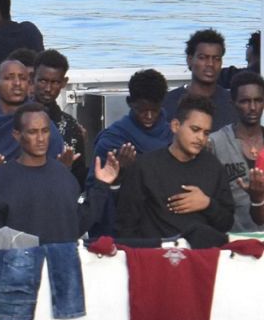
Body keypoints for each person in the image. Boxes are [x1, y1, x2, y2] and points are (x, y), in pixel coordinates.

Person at [0, 103, 117, 243]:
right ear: (17, 135)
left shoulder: (63, 174)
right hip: (21, 268)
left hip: (61, 267)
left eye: (45, 131)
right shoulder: (2, 177)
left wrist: (101, 185)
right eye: (33, 132)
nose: (40, 138)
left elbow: (78, 225)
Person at [115, 95, 249, 247]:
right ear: (175, 126)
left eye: (206, 133)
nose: (200, 138)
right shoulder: (144, 167)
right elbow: (125, 225)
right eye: (195, 129)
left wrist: (207, 204)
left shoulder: (213, 167)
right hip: (155, 260)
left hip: (202, 260)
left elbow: (227, 222)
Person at [0, 58, 63, 180]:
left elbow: (54, 169)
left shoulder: (41, 122)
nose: (17, 83)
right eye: (9, 78)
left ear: (29, 85)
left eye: (22, 78)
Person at [206, 71, 264, 231]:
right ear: (233, 103)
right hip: (232, 240)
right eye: (245, 101)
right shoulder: (215, 143)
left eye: (258, 100)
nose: (252, 107)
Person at [33, 49, 89, 187]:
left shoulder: (72, 127)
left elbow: (79, 175)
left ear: (64, 83)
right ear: (32, 77)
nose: (48, 88)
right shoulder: (16, 119)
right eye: (42, 81)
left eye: (55, 82)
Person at [94, 69, 172, 164]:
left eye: (155, 110)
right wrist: (120, 169)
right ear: (129, 103)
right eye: (142, 110)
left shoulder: (175, 136)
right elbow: (95, 177)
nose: (149, 116)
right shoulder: (112, 139)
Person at [162, 29, 235, 129]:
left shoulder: (232, 103)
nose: (210, 64)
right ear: (190, 60)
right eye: (203, 57)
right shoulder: (168, 102)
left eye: (216, 58)